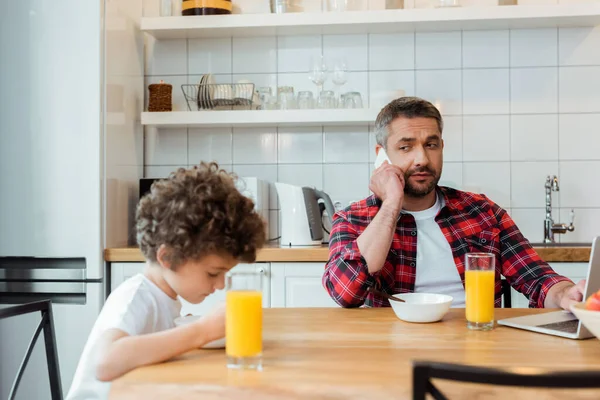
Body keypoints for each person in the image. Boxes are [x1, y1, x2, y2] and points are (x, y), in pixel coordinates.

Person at [322, 97, 585, 309]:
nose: (422, 159)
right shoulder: (354, 219)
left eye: (431, 144)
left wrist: (565, 294)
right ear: (382, 156)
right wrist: (391, 204)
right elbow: (346, 293)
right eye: (406, 147)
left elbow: (537, 278)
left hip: (476, 342)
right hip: (391, 351)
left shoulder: (482, 212)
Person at [67, 162, 266, 399]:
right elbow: (105, 362)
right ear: (168, 257)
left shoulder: (164, 298)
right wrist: (201, 331)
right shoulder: (135, 296)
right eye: (213, 273)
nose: (221, 285)